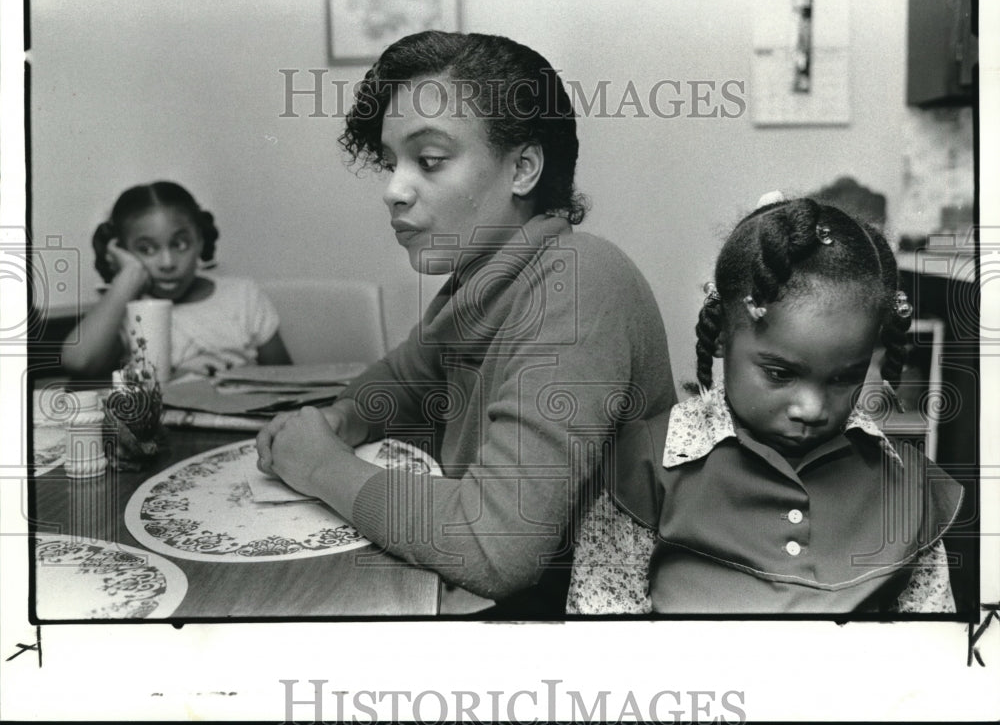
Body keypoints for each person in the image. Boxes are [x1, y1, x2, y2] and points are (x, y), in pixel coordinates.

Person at [256, 31, 676, 616]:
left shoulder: (579, 280)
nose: (393, 190)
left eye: (428, 160)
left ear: (523, 167)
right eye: (390, 163)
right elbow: (401, 380)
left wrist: (322, 466)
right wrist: (338, 418)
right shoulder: (483, 273)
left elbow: (496, 547)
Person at [568, 193, 963, 614]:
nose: (811, 408)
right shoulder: (648, 464)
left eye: (843, 378)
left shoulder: (909, 489)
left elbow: (936, 649)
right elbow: (600, 626)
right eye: (779, 374)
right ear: (721, 335)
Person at [62, 180, 290, 379]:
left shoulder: (243, 296)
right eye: (147, 249)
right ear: (122, 251)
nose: (168, 262)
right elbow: (78, 361)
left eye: (180, 244)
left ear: (200, 241)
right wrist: (129, 276)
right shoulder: (122, 309)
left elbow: (288, 379)